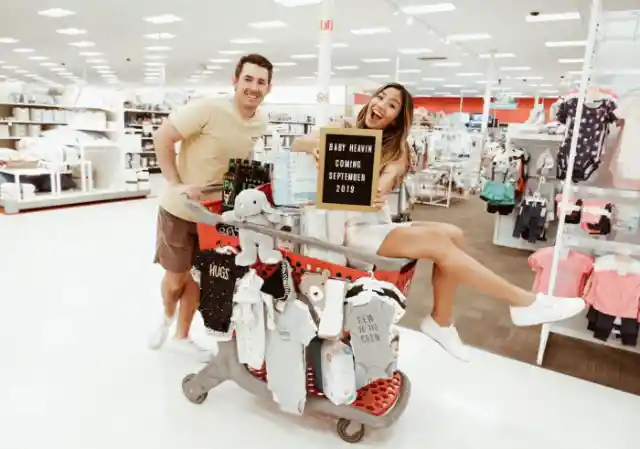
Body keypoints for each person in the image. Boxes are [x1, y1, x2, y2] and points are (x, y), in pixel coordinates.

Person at [292, 82, 585, 361]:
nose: (381, 105)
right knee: (435, 242)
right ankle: (523, 301)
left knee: (454, 233)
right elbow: (298, 142)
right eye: (380, 97)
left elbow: (380, 188)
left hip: (374, 222)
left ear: (397, 119)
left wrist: (376, 192)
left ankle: (440, 321)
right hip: (347, 228)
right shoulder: (342, 127)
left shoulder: (397, 150)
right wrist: (316, 147)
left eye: (391, 105)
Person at [148, 54, 273, 361]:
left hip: (217, 215)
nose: (254, 87)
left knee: (199, 278)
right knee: (176, 279)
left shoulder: (262, 121)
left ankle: (182, 335)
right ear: (235, 80)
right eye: (248, 79)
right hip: (180, 211)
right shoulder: (209, 108)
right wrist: (176, 185)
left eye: (261, 81)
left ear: (269, 87)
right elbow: (162, 137)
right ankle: (166, 317)